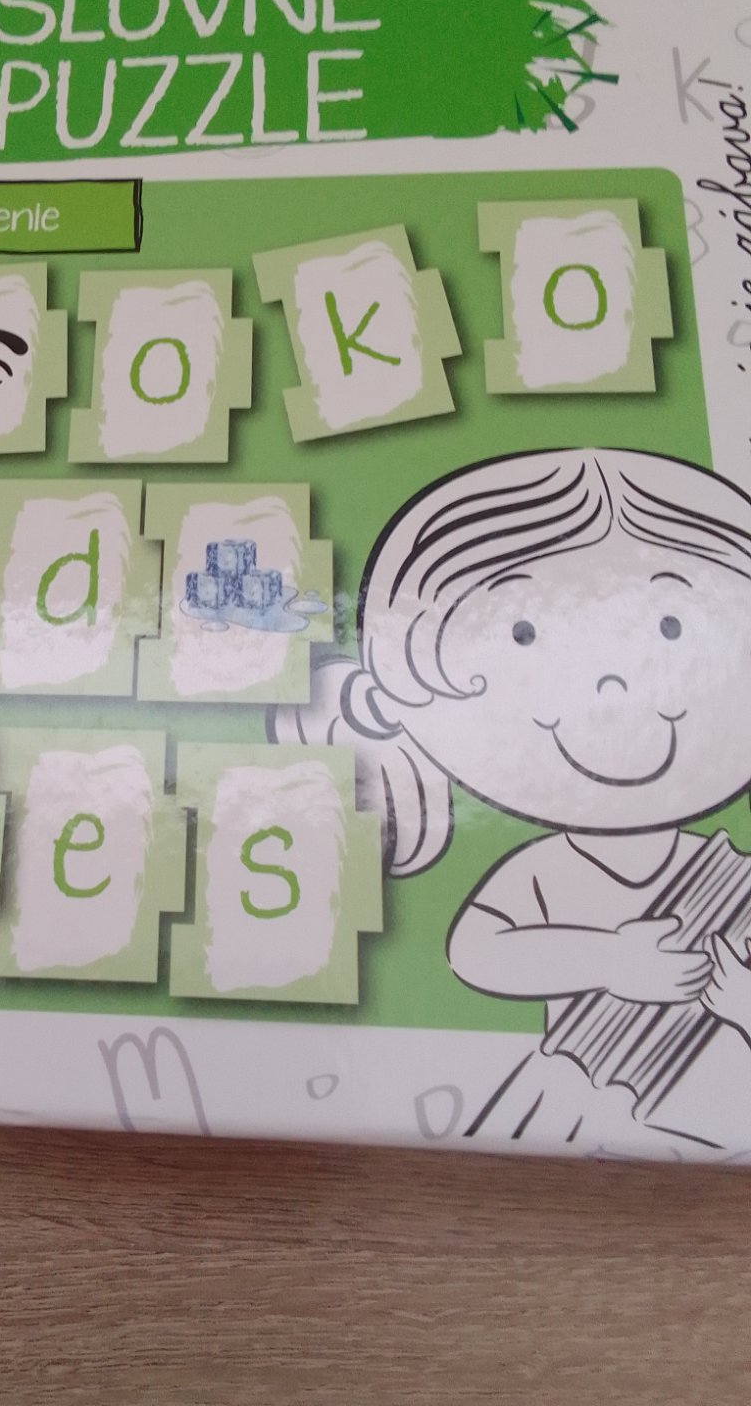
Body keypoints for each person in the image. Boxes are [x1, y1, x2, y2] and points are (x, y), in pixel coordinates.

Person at [275, 447, 751, 1150]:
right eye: (524, 635)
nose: (613, 685)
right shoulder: (544, 873)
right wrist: (609, 959)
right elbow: (478, 952)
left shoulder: (732, 876)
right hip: (601, 1120)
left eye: (671, 627)